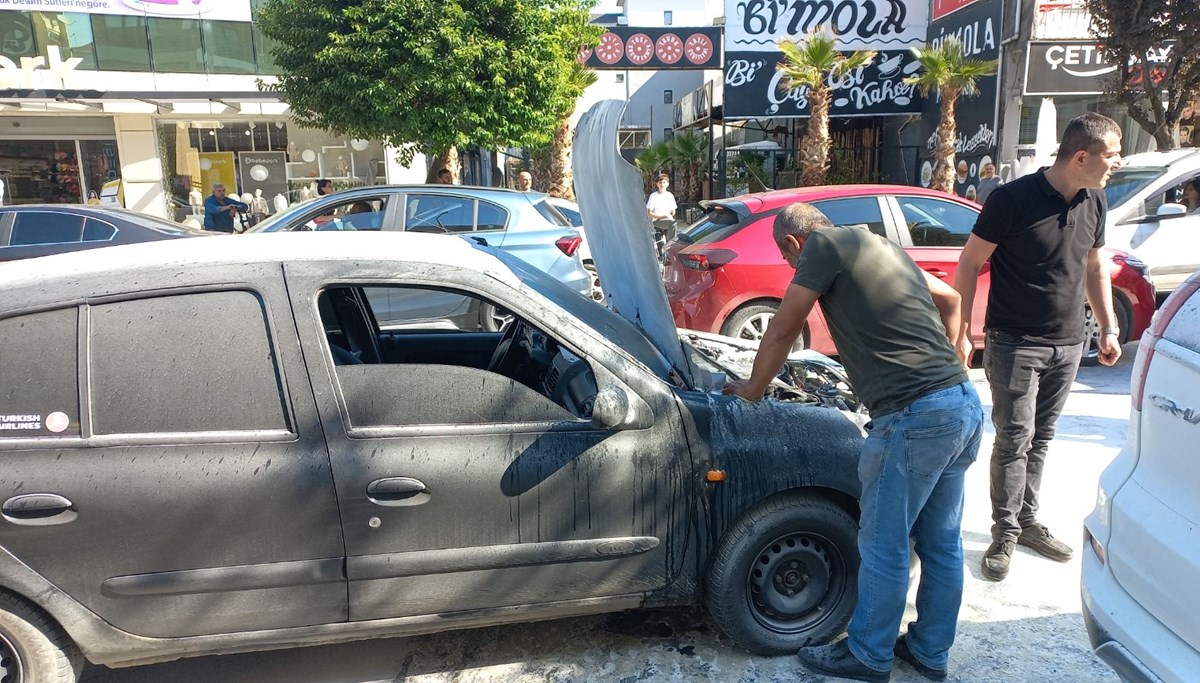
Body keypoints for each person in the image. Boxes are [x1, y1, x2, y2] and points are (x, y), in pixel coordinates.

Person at [727, 203, 982, 683]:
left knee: (883, 544)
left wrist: (753, 388)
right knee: (942, 542)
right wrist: (953, 358)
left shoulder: (820, 245)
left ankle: (867, 654)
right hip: (960, 405)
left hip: (913, 417)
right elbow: (950, 299)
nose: (793, 269)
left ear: (792, 243)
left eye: (788, 262)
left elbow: (783, 327)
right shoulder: (881, 245)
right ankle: (929, 651)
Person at [954, 112, 1123, 583]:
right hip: (1015, 342)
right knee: (1014, 438)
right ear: (1082, 156)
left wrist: (1106, 327)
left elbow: (1093, 268)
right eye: (1112, 153)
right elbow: (969, 264)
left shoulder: (1096, 200)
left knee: (1041, 438)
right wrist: (962, 332)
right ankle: (1004, 532)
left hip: (1069, 342)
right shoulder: (1011, 199)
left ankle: (1028, 523)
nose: (1117, 162)